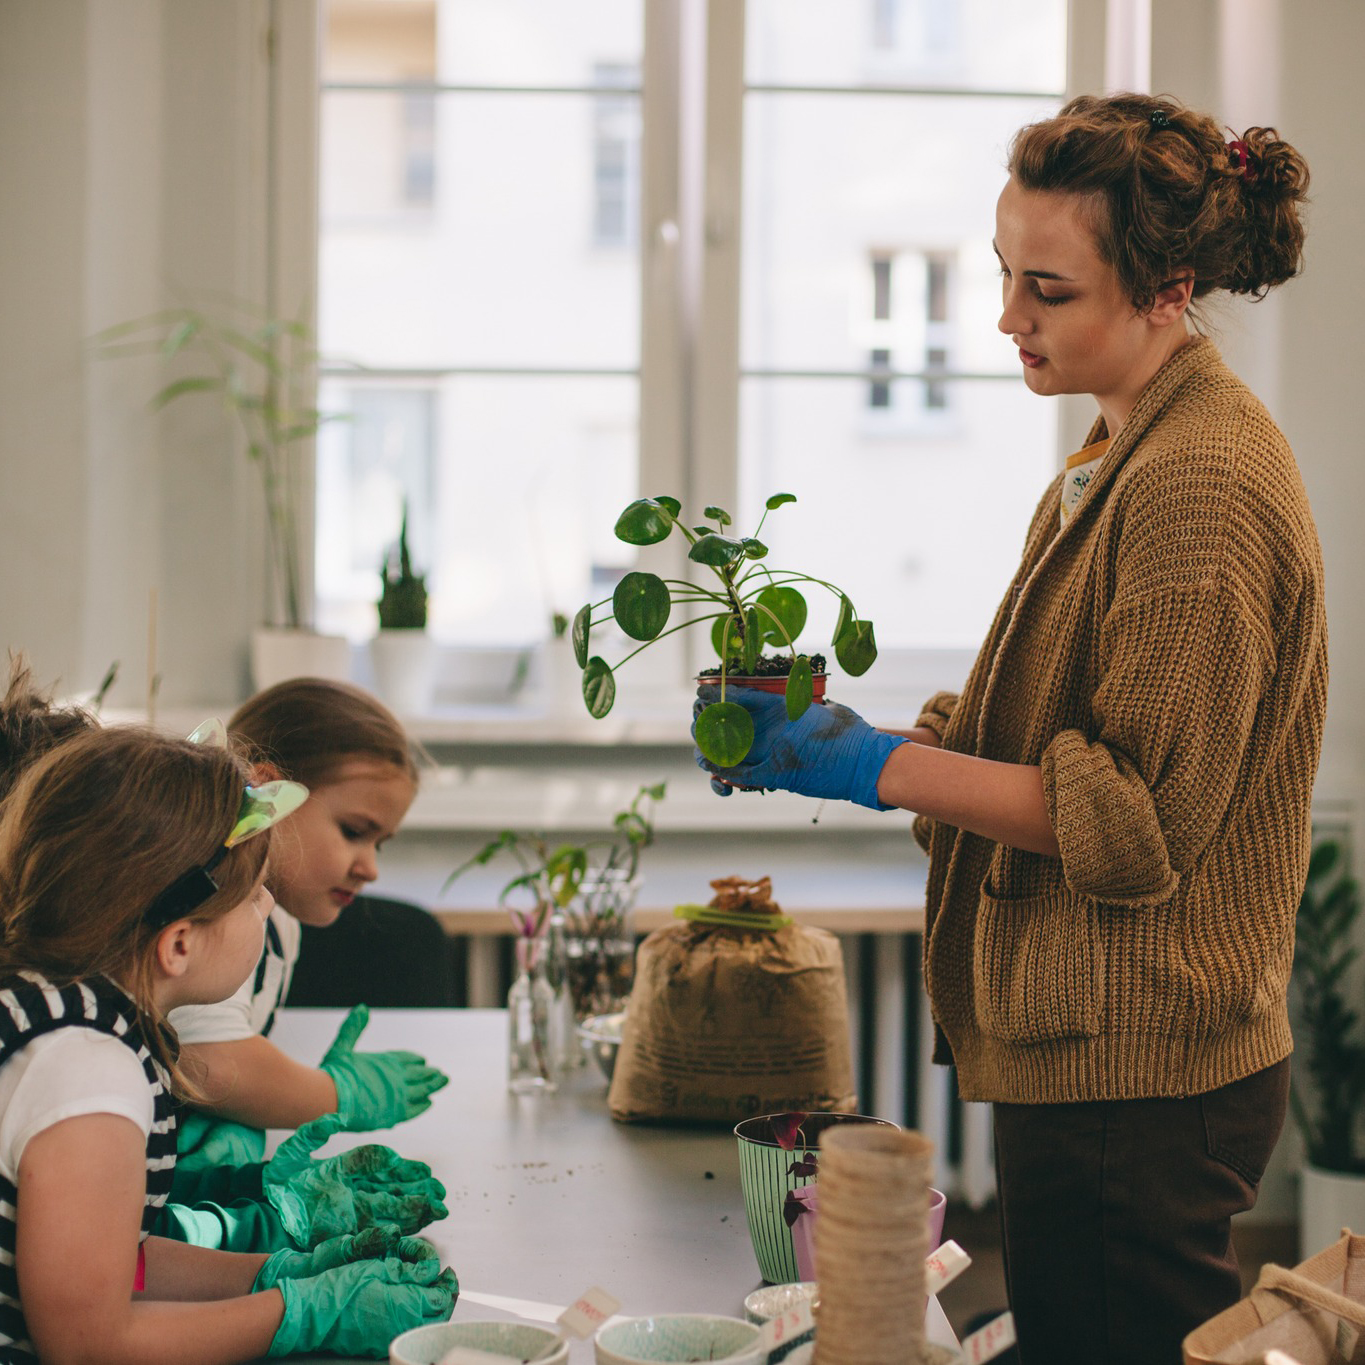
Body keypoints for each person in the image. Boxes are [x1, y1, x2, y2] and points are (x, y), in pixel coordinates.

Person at [696, 93, 1324, 1364]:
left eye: (1048, 289)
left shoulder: (1199, 484)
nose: (1006, 318)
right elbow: (1068, 730)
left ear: (1167, 289)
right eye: (1003, 275)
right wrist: (875, 738)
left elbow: (1133, 825)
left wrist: (875, 767)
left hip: (1139, 1078)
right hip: (1107, 1060)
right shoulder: (1129, 440)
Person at [0, 711, 458, 1362]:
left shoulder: (64, 1016)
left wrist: (275, 1273)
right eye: (251, 897)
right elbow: (88, 1344)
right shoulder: (89, 1071)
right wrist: (298, 1315)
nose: (268, 907)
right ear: (179, 942)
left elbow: (116, 1262)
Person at [160, 678, 450, 1251]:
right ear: (269, 794)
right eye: (354, 832)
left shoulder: (280, 924)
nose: (369, 867)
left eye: (380, 844)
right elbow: (213, 1064)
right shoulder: (216, 912)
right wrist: (336, 1093)